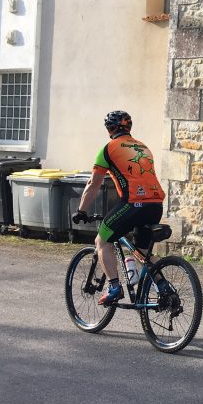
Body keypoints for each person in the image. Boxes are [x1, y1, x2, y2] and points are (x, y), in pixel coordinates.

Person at [72, 110, 165, 306]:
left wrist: (81, 211)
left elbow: (93, 184)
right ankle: (165, 288)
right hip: (156, 204)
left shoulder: (108, 149)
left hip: (133, 204)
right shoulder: (143, 147)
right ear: (129, 127)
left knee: (102, 240)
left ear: (109, 129)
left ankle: (114, 287)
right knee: (141, 253)